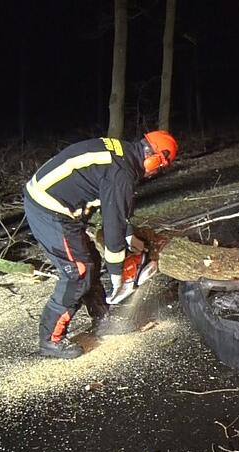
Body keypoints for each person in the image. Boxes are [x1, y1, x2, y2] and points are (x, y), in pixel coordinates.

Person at [23, 131, 178, 359]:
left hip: (58, 206)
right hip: (49, 209)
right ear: (154, 157)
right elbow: (112, 223)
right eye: (159, 167)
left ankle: (101, 317)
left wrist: (129, 237)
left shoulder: (123, 156)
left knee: (91, 262)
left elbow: (113, 209)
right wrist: (117, 275)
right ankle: (51, 340)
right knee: (78, 273)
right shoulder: (122, 173)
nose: (155, 173)